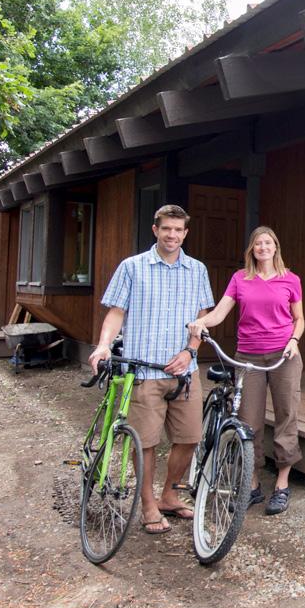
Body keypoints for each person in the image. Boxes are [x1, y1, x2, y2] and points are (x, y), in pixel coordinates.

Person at [88, 204, 213, 535]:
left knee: (190, 438)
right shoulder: (132, 267)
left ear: (185, 233)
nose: (172, 235)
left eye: (178, 230)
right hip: (144, 372)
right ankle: (147, 504)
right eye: (166, 228)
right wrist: (104, 345)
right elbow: (116, 312)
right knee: (145, 443)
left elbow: (202, 319)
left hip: (185, 373)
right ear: (155, 230)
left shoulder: (197, 270)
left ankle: (168, 495)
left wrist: (190, 351)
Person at [188, 226, 304, 515]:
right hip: (248, 356)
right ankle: (251, 485)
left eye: (268, 243)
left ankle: (282, 484)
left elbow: (299, 319)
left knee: (286, 414)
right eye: (257, 244)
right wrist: (201, 323)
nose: (263, 247)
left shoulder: (290, 279)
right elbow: (219, 313)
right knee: (247, 420)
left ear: (275, 247)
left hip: (284, 355)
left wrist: (294, 340)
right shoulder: (240, 278)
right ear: (252, 249)